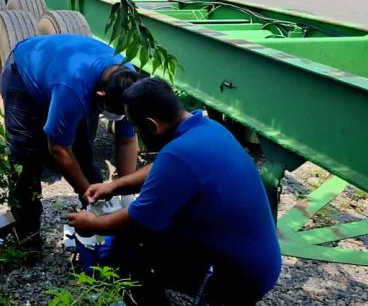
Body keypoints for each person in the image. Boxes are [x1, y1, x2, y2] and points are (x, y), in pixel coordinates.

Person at [67, 77, 282, 305]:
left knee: (129, 247)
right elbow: (163, 167)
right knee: (143, 242)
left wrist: (92, 224)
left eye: (135, 126)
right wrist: (114, 186)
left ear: (151, 126)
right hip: (258, 258)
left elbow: (139, 219)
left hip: (243, 275)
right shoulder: (208, 129)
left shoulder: (178, 155)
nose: (136, 132)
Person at [0, 34, 142, 247]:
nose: (119, 118)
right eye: (113, 112)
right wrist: (90, 194)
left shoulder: (129, 85)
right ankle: (26, 238)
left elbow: (126, 141)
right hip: (23, 74)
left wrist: (125, 193)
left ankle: (101, 225)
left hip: (63, 72)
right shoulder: (73, 90)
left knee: (83, 153)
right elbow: (58, 148)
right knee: (26, 161)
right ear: (100, 95)